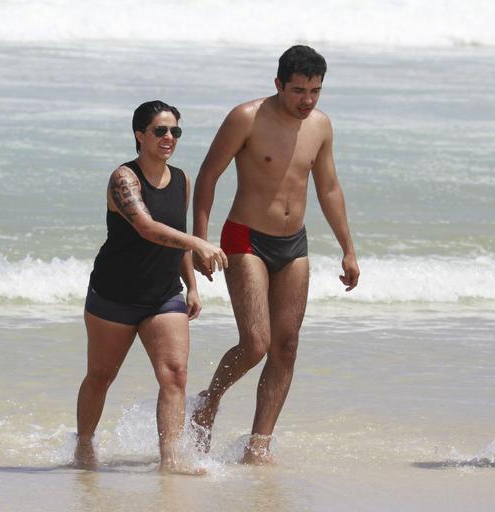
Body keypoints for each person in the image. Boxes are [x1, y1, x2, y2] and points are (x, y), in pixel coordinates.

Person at [190, 45, 360, 464]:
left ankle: (258, 446)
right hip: (245, 237)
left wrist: (348, 249)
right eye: (299, 90)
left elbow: (329, 188)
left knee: (286, 345)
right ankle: (208, 402)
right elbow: (208, 175)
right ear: (278, 84)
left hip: (294, 243)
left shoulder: (320, 126)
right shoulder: (246, 118)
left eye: (315, 91)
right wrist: (201, 240)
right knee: (256, 343)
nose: (307, 100)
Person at [74, 100, 228, 474]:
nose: (169, 137)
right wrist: (199, 243)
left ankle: (170, 459)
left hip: (163, 294)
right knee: (101, 376)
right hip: (114, 294)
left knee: (174, 373)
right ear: (140, 135)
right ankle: (84, 446)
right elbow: (147, 227)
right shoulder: (124, 179)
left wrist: (191, 285)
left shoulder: (181, 179)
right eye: (160, 131)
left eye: (175, 131)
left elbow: (176, 237)